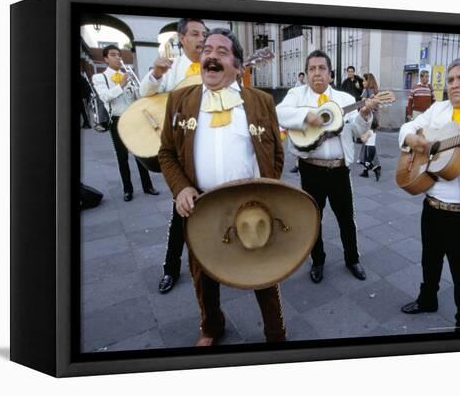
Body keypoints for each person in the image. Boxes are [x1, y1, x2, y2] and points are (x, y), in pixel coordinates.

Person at [158, 28, 286, 346]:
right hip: (201, 205)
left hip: (252, 204)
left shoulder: (261, 101)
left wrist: (268, 191)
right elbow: (167, 153)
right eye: (207, 50)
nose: (212, 56)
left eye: (222, 51)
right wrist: (181, 189)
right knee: (203, 273)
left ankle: (275, 333)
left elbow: (276, 154)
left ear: (238, 65)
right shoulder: (180, 100)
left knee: (264, 272)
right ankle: (212, 327)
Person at [277, 50, 378, 284]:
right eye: (312, 69)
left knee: (346, 218)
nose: (316, 73)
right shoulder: (296, 94)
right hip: (310, 168)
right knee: (313, 218)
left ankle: (352, 259)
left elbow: (358, 131)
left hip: (339, 169)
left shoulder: (345, 100)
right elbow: (279, 112)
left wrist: (364, 114)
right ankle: (318, 261)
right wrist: (307, 116)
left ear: (330, 74)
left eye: (321, 68)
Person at [398, 58, 460, 332]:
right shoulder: (437, 109)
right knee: (429, 259)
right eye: (451, 79)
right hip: (431, 204)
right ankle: (427, 299)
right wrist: (413, 140)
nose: (454, 84)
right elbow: (408, 127)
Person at [139, 18, 208, 294]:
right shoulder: (173, 68)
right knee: (181, 211)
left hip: (207, 146)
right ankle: (170, 268)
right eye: (194, 34)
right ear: (182, 38)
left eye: (204, 33)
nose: (201, 38)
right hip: (180, 151)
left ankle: (218, 265)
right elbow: (146, 92)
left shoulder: (214, 64)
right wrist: (155, 73)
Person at [92, 45, 159, 202]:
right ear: (106, 59)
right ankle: (127, 189)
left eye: (119, 55)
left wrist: (137, 90)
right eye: (114, 55)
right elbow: (105, 97)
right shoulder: (99, 78)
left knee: (140, 153)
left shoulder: (126, 75)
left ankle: (147, 186)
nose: (118, 58)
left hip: (133, 118)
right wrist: (121, 85)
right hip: (116, 120)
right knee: (122, 157)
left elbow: (136, 97)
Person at [359, 73, 381, 180]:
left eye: (364, 80)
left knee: (369, 144)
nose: (363, 82)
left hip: (367, 120)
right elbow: (377, 108)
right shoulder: (375, 91)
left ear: (368, 81)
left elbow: (363, 105)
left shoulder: (367, 91)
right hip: (373, 119)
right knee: (368, 143)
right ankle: (367, 168)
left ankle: (373, 167)